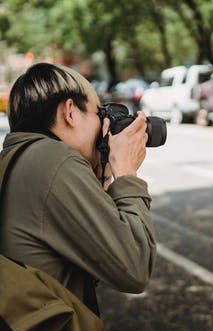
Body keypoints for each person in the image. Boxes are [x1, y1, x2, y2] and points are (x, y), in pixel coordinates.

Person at [0, 62, 156, 314]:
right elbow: (134, 266)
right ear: (70, 112)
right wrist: (126, 171)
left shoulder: (18, 159)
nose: (103, 125)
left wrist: (102, 176)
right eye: (97, 114)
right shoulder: (54, 159)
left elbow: (95, 252)